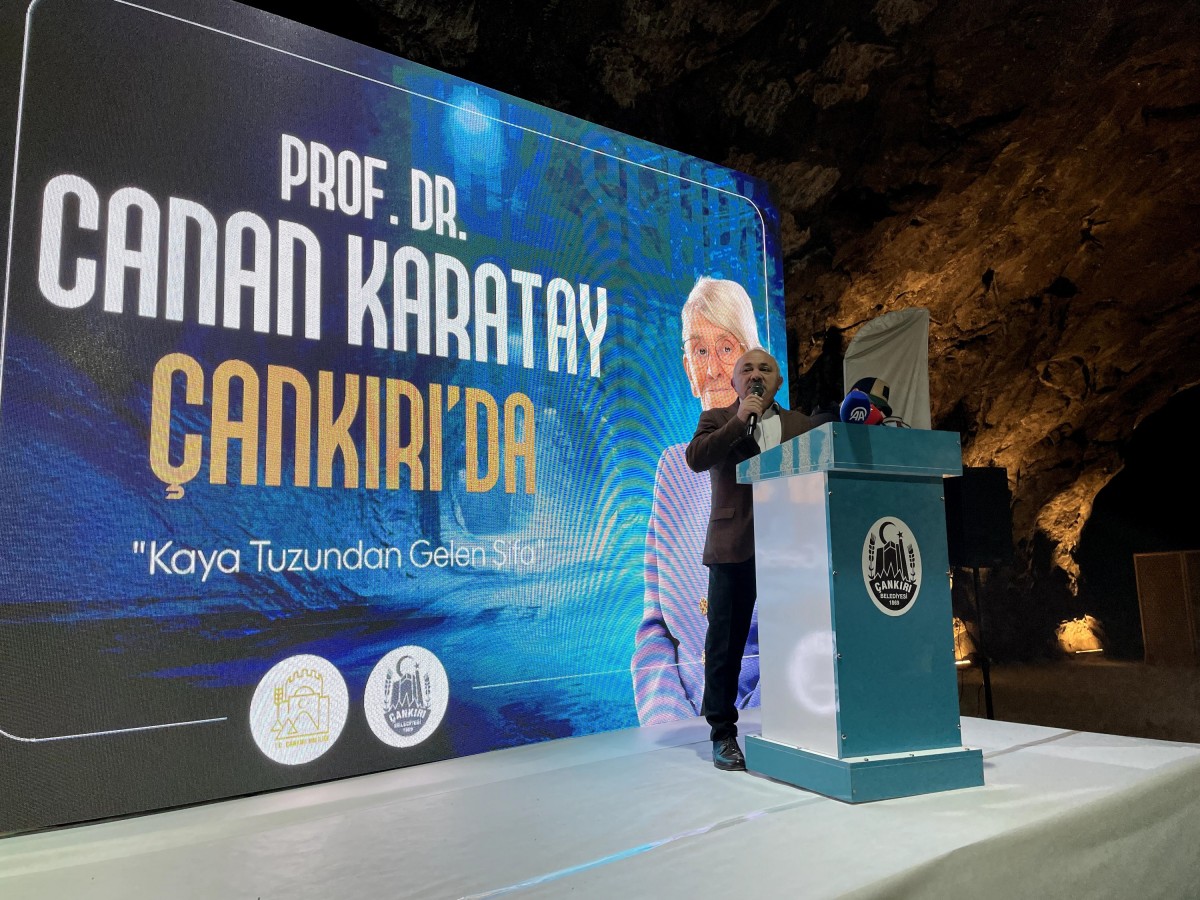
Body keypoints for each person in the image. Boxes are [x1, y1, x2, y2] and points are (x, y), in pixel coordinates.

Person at [632, 278, 762, 726]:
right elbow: (654, 628)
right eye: (699, 351)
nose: (712, 369)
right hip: (680, 729)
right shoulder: (671, 469)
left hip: (767, 724)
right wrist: (672, 729)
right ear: (688, 369)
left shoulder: (789, 461)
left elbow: (813, 625)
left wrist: (750, 730)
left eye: (726, 348)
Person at [686, 348, 814, 770]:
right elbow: (696, 458)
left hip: (791, 548)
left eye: (765, 368)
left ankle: (800, 721)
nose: (756, 374)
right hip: (733, 546)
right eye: (747, 369)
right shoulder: (717, 419)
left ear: (779, 381)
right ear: (735, 381)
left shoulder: (801, 425)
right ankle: (723, 733)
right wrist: (741, 420)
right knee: (725, 644)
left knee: (796, 637)